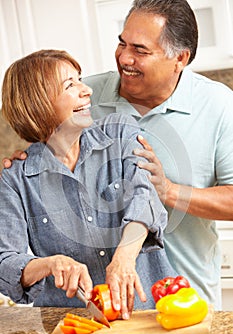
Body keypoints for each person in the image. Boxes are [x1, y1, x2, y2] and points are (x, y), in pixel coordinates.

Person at [3, 0, 233, 309]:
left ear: (179, 58)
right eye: (122, 43)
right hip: (83, 314)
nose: (124, 57)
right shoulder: (92, 96)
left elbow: (145, 195)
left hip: (181, 288)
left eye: (140, 50)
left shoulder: (218, 105)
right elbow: (44, 121)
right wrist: (27, 160)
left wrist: (167, 191)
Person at [0, 49, 176, 319]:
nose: (87, 91)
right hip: (71, 326)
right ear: (38, 103)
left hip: (153, 313)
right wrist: (50, 264)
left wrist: (124, 259)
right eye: (70, 85)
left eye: (80, 79)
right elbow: (5, 262)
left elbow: (146, 195)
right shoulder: (15, 179)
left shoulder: (120, 132)